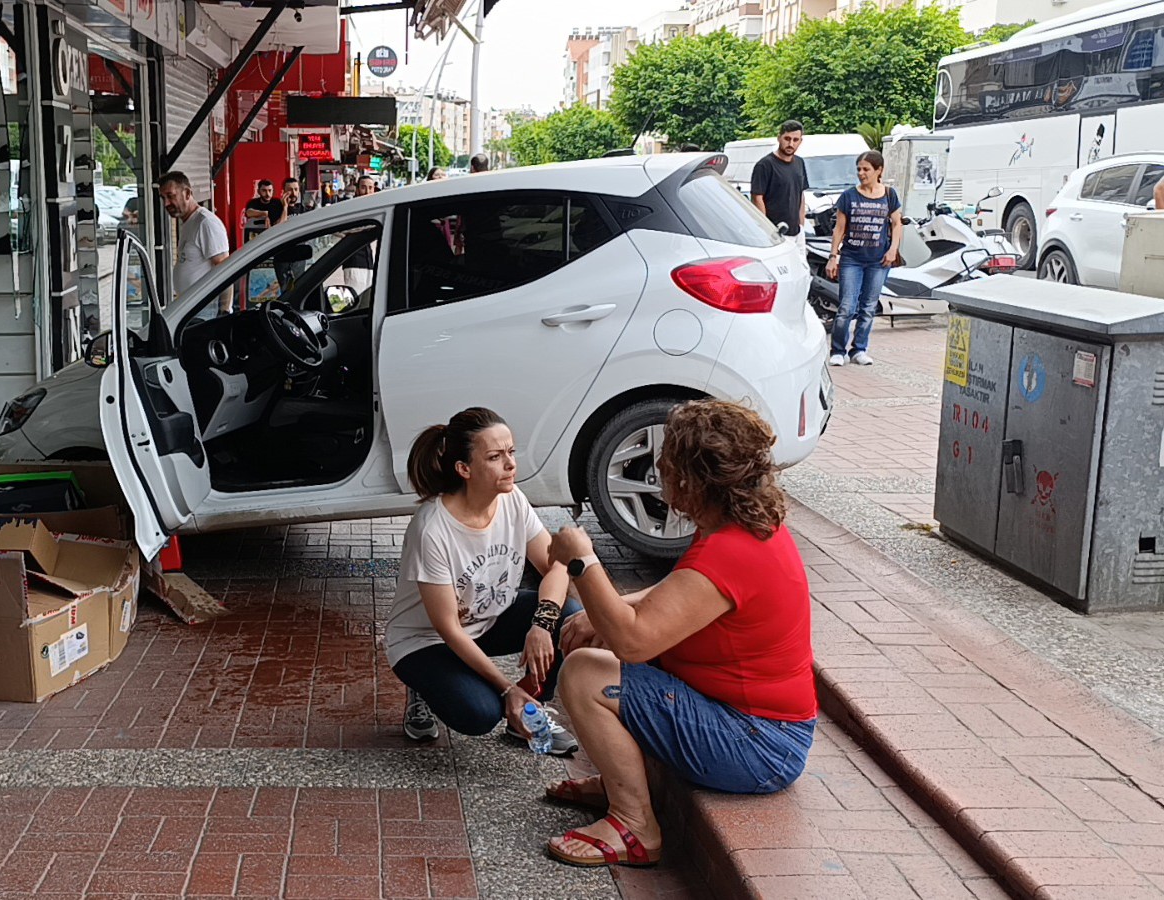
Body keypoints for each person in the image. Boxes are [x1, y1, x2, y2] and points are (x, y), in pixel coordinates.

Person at [541, 399, 816, 868]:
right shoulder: (743, 525)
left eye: (666, 462)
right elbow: (684, 592)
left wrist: (583, 563)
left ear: (689, 480)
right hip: (753, 726)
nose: (659, 471)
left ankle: (634, 825)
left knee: (587, 674)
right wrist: (611, 608)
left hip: (759, 745)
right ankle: (620, 784)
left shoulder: (731, 549)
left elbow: (633, 641)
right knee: (604, 638)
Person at [384, 407, 582, 757]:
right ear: (464, 469)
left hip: (486, 619)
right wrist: (506, 688)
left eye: (510, 452)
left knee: (570, 617)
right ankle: (426, 687)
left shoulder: (512, 499)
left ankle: (529, 710)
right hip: (426, 641)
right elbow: (448, 628)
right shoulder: (432, 528)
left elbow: (555, 564)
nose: (510, 464)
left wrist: (542, 623)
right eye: (495, 456)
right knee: (479, 713)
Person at [825, 150, 902, 367]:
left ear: (879, 170)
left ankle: (859, 349)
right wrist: (834, 256)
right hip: (852, 258)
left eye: (866, 169)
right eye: (859, 169)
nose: (861, 173)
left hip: (878, 260)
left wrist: (893, 249)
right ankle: (838, 349)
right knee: (847, 307)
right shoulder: (849, 196)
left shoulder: (889, 194)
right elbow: (839, 229)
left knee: (868, 306)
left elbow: (897, 224)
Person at [160, 170, 230, 308]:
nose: (166, 203)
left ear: (187, 193)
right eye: (163, 198)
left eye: (170, 196)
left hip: (206, 309)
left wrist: (224, 311)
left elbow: (225, 269)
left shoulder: (205, 223)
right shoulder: (188, 222)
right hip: (190, 308)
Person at [751, 120, 808, 245]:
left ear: (800, 141)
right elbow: (757, 198)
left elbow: (801, 194)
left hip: (797, 233)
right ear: (779, 138)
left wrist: (801, 225)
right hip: (776, 233)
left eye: (795, 140)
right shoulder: (765, 165)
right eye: (787, 138)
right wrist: (766, 231)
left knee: (801, 265)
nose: (791, 143)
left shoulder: (800, 163)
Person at [243, 179, 285, 244]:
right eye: (264, 191)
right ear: (258, 191)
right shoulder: (253, 202)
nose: (267, 194)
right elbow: (248, 213)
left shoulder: (277, 202)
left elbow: (282, 220)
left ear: (273, 191)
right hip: (256, 236)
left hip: (274, 235)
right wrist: (264, 213)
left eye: (269, 190)